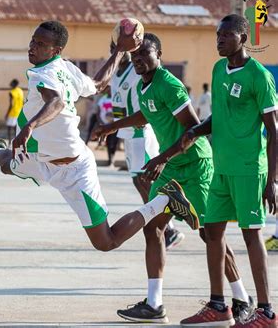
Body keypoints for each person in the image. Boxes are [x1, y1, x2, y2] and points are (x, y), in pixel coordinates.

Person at [0, 20, 200, 287]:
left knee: (106, 242)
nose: (32, 47)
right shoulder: (53, 69)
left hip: (74, 169)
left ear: (56, 49)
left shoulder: (54, 72)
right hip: (40, 158)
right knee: (7, 164)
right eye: (33, 41)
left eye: (41, 44)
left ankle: (164, 202)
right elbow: (100, 83)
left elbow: (60, 100)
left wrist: (29, 126)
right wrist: (119, 49)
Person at [93, 33, 252, 324]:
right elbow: (147, 114)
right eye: (135, 56)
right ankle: (154, 304)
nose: (139, 60)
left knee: (210, 234)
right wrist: (111, 126)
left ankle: (242, 298)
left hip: (195, 165)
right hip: (172, 167)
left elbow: (192, 130)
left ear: (159, 55)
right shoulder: (145, 84)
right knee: (153, 228)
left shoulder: (170, 85)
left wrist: (160, 158)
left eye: (145, 55)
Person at [180, 14, 277, 327]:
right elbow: (218, 119)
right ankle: (219, 305)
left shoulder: (259, 76)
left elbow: (274, 132)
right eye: (217, 35)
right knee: (213, 232)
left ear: (243, 39)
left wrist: (272, 180)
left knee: (251, 235)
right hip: (221, 168)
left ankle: (266, 311)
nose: (219, 40)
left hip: (249, 168)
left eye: (225, 36)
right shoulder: (218, 69)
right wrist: (195, 131)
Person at [109, 46, 184, 250]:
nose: (118, 51)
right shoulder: (117, 73)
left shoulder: (137, 72)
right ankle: (163, 222)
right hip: (127, 134)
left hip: (140, 133)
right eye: (114, 47)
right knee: (137, 180)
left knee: (146, 179)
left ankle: (169, 226)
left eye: (125, 48)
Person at [96, 90, 117, 167]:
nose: (109, 90)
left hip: (115, 125)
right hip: (105, 125)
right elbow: (98, 112)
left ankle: (112, 158)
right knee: (108, 143)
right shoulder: (103, 99)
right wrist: (101, 122)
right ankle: (110, 160)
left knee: (114, 143)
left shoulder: (116, 98)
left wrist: (115, 120)